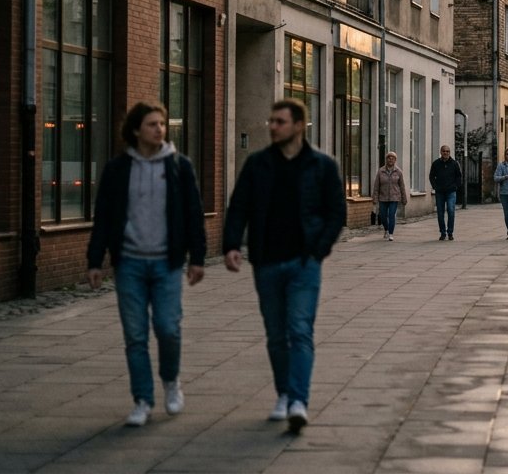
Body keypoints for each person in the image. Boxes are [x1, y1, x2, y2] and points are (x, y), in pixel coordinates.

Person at [223, 98, 346, 434]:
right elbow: (239, 208)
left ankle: (298, 402)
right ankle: (283, 393)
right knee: (276, 336)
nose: (272, 126)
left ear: (297, 125)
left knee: (300, 331)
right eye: (271, 121)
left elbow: (337, 212)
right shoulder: (258, 165)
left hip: (304, 263)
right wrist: (232, 245)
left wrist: (319, 250)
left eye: (279, 121)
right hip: (266, 262)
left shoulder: (322, 165)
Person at [86, 102, 205, 427]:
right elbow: (104, 218)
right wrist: (95, 260)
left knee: (168, 328)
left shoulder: (180, 166)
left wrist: (197, 258)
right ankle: (141, 399)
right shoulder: (118, 169)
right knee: (135, 336)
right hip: (130, 265)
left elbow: (193, 214)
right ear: (137, 130)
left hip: (167, 264)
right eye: (152, 124)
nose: (159, 129)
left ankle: (170, 380)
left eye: (162, 124)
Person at [372, 151, 408, 241]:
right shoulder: (381, 171)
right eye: (389, 157)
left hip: (394, 197)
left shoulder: (398, 172)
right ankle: (386, 229)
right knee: (383, 216)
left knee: (391, 215)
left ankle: (391, 233)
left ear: (395, 160)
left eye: (393, 158)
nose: (390, 159)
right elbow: (376, 185)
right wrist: (375, 198)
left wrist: (404, 198)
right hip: (382, 197)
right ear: (386, 159)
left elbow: (402, 186)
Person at [429, 144, 462, 240]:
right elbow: (431, 176)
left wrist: (456, 186)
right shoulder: (436, 164)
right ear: (441, 152)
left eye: (447, 151)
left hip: (451, 191)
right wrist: (435, 187)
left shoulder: (454, 164)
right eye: (444, 151)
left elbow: (458, 176)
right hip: (440, 192)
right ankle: (443, 232)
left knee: (451, 211)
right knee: (440, 213)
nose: (445, 153)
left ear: (449, 153)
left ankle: (450, 232)